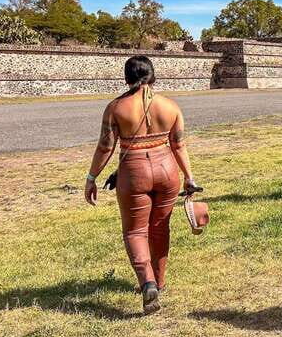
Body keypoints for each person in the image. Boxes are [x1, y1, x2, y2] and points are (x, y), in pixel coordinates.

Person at [84, 55, 202, 315]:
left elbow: (106, 146)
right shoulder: (170, 106)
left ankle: (147, 282)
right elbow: (179, 144)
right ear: (153, 75)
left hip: (134, 171)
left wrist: (92, 177)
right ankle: (159, 281)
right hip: (166, 168)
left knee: (135, 232)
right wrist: (189, 177)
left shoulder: (116, 107)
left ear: (126, 77)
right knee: (160, 228)